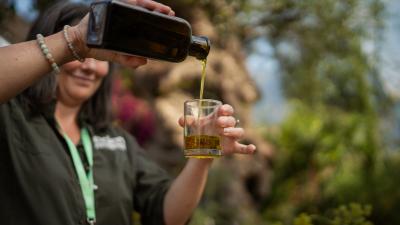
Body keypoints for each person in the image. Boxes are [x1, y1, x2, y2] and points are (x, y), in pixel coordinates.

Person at [0, 1, 256, 225]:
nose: (89, 66)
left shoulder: (117, 141)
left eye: (97, 54)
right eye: (80, 55)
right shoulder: (11, 118)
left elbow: (167, 215)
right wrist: (76, 40)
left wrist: (202, 157)